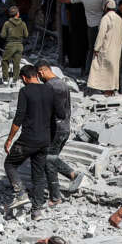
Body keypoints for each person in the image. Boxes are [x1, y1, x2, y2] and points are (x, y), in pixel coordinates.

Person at [3, 64, 54, 218]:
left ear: (24, 78)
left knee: (10, 164)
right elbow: (56, 115)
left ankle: (20, 194)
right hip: (45, 139)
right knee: (38, 174)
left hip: (28, 139)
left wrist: (9, 139)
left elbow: (19, 117)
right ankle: (37, 211)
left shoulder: (25, 91)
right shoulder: (49, 89)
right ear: (37, 75)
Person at [36, 64, 82, 205]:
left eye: (39, 75)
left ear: (42, 71)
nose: (39, 78)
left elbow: (50, 111)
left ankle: (72, 174)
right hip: (65, 127)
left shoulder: (50, 87)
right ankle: (55, 197)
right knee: (48, 162)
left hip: (55, 129)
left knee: (48, 158)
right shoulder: (62, 84)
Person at [60, 0, 104, 79]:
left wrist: (60, 0)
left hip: (75, 27)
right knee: (86, 47)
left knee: (75, 45)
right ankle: (84, 66)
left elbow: (68, 9)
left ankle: (75, 63)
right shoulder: (84, 0)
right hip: (84, 27)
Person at [87, 0, 122, 95]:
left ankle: (106, 91)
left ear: (106, 7)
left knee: (103, 70)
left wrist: (96, 48)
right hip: (116, 51)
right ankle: (111, 91)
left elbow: (101, 35)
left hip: (106, 49)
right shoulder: (120, 19)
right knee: (113, 71)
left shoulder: (106, 18)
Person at [0, 5, 28, 81]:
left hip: (10, 45)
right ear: (17, 14)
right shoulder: (23, 24)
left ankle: (5, 78)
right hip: (19, 45)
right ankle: (15, 79)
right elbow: (26, 35)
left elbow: (2, 35)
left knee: (5, 61)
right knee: (17, 63)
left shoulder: (7, 23)